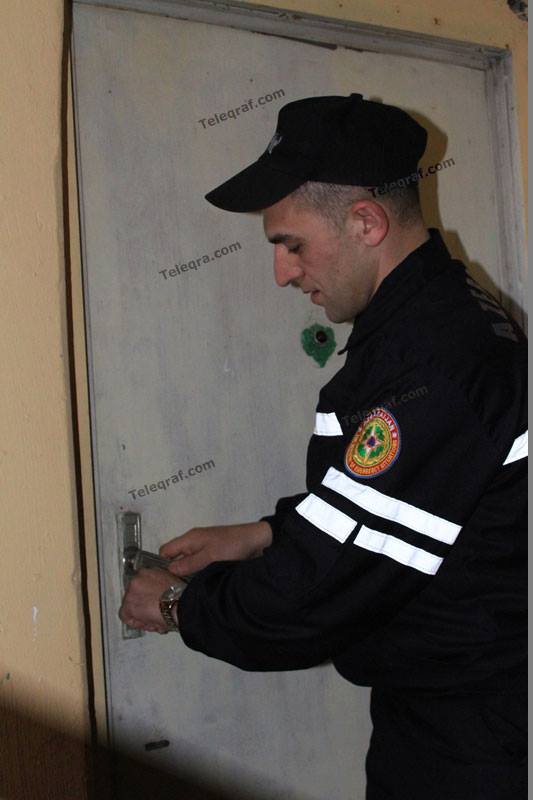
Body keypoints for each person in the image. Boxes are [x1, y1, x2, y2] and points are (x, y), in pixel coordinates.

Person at [119, 93, 527, 799]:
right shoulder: (427, 325)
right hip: (456, 712)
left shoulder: (435, 364)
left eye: (292, 245)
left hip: (477, 739)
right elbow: (398, 507)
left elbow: (313, 597)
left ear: (366, 222)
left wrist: (182, 606)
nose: (283, 273)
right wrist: (263, 534)